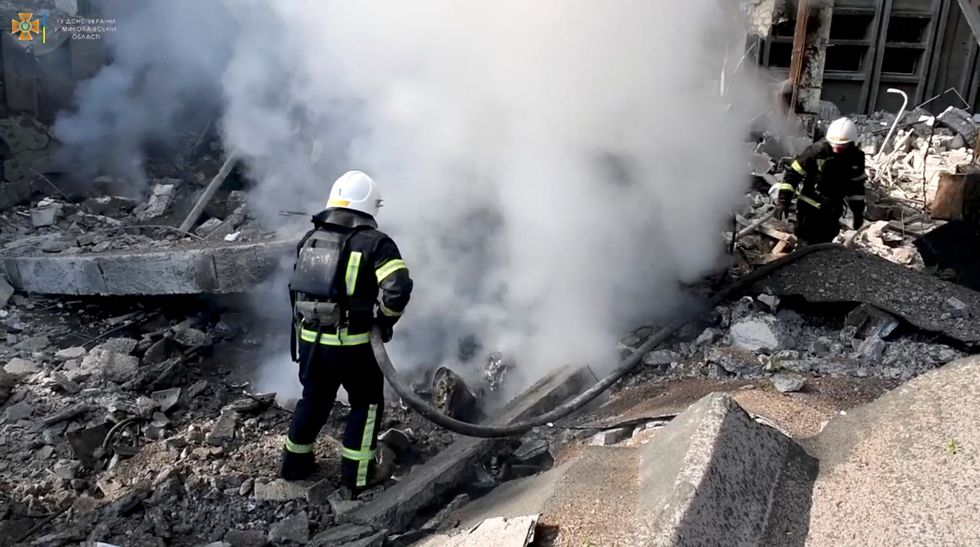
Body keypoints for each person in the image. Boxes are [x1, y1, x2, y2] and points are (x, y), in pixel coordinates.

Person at [280, 170, 413, 497]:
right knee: (366, 405)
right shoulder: (376, 243)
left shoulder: (310, 238)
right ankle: (358, 474)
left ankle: (294, 464)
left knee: (314, 399)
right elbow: (398, 288)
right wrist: (385, 321)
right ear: (370, 207)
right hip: (353, 345)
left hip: (310, 340)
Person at [776, 117, 867, 244]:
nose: (836, 149)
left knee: (825, 241)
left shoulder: (856, 158)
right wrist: (783, 201)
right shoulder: (816, 151)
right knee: (804, 240)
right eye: (833, 144)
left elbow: (856, 189)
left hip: (833, 209)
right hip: (808, 207)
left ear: (851, 143)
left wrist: (858, 213)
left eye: (841, 146)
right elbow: (793, 174)